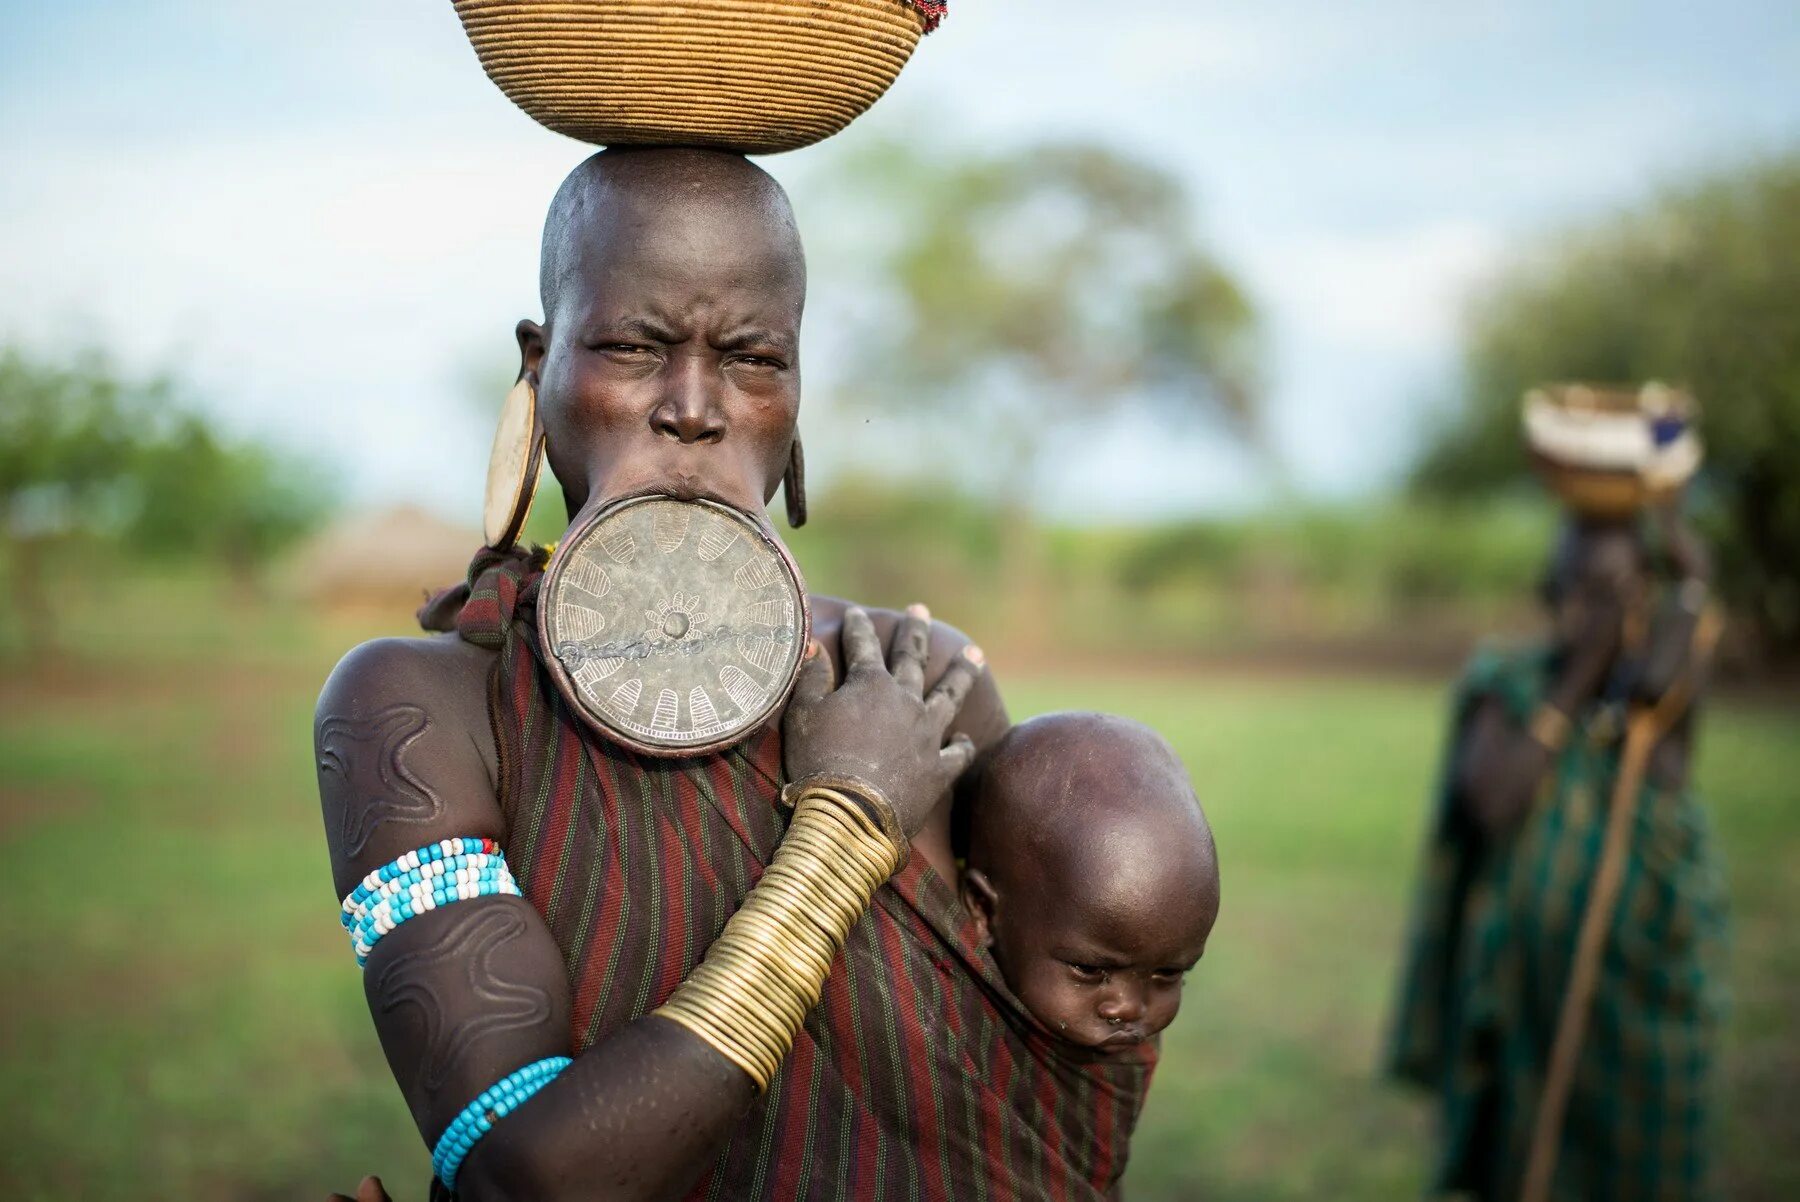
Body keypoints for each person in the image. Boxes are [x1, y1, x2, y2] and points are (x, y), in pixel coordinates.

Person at [317, 147, 1153, 1202]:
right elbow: (524, 1176)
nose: (693, 407)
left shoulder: (913, 683)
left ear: (796, 394)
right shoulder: (423, 706)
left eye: (754, 358)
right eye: (631, 344)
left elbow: (1040, 1124)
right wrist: (848, 823)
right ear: (541, 363)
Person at [1386, 501, 1729, 1201]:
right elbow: (1494, 802)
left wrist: (1690, 592)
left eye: (1613, 595)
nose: (1589, 611)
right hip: (1525, 1009)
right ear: (1552, 589)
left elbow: (1665, 685)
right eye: (1577, 589)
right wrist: (1574, 681)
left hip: (1640, 1009)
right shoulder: (1507, 683)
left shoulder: (1647, 711)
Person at [958, 712, 1220, 1055]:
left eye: (1169, 973)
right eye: (1090, 969)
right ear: (983, 907)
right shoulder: (940, 1027)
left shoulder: (1119, 1069)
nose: (1129, 1008)